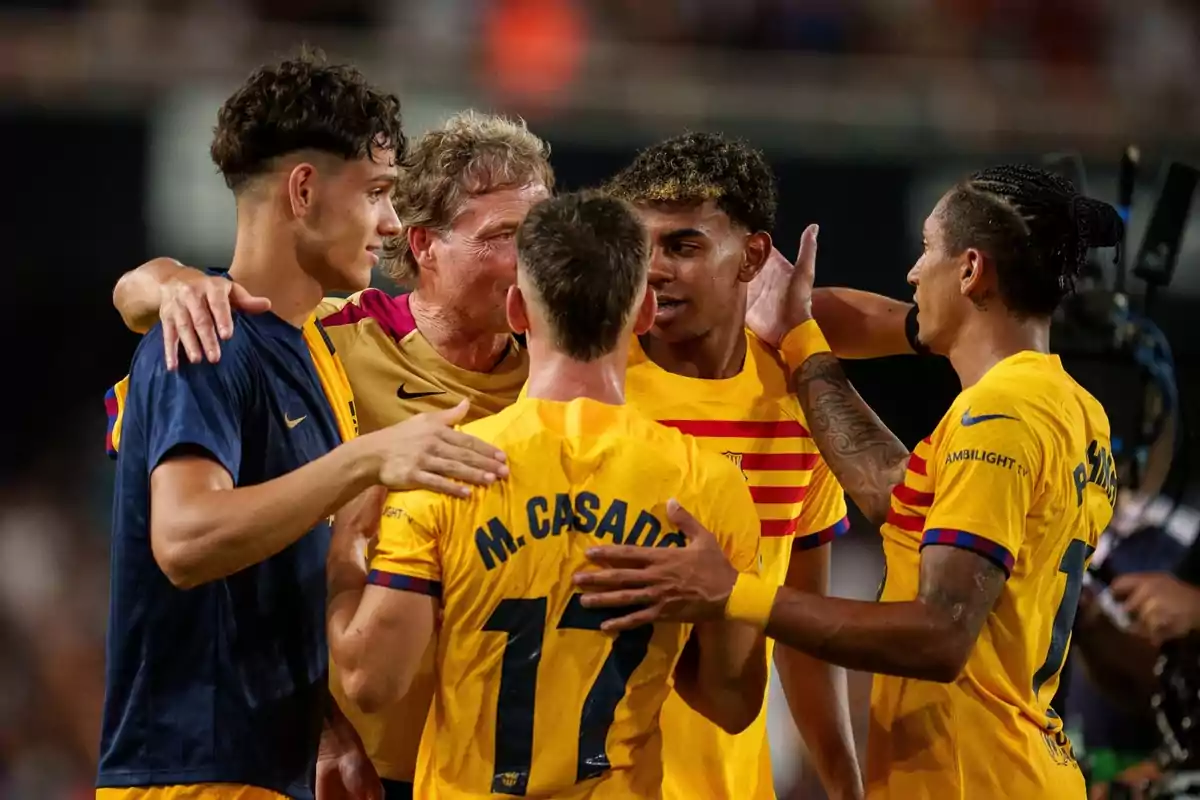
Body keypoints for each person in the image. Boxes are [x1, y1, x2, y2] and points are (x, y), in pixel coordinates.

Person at [108, 125, 910, 800]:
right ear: (424, 247)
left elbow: (784, 310)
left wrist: (902, 327)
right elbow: (197, 472)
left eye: (537, 237)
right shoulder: (330, 340)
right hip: (368, 762)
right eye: (503, 239)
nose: (528, 257)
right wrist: (170, 284)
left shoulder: (564, 375)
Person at [576, 165, 1124, 799]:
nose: (914, 273)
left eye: (926, 250)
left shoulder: (997, 418)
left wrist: (733, 592)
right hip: (1019, 764)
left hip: (976, 776)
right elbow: (897, 497)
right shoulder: (1074, 409)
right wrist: (802, 337)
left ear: (970, 270)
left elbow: (939, 635)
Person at [97, 57, 508, 800]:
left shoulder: (314, 347)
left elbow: (279, 571)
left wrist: (326, 724)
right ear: (305, 190)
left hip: (270, 772)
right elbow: (185, 540)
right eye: (378, 193)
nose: (391, 223)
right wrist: (368, 461)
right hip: (191, 776)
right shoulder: (203, 336)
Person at [328, 191, 768, 797]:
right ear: (642, 311)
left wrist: (346, 552)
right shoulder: (709, 488)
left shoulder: (444, 470)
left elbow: (370, 682)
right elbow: (733, 705)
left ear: (516, 309)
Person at [604, 132, 873, 800]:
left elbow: (801, 627)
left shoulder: (795, 406)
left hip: (731, 782)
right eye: (642, 248)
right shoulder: (593, 387)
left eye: (683, 245)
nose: (655, 269)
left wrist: (843, 782)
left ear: (752, 256)